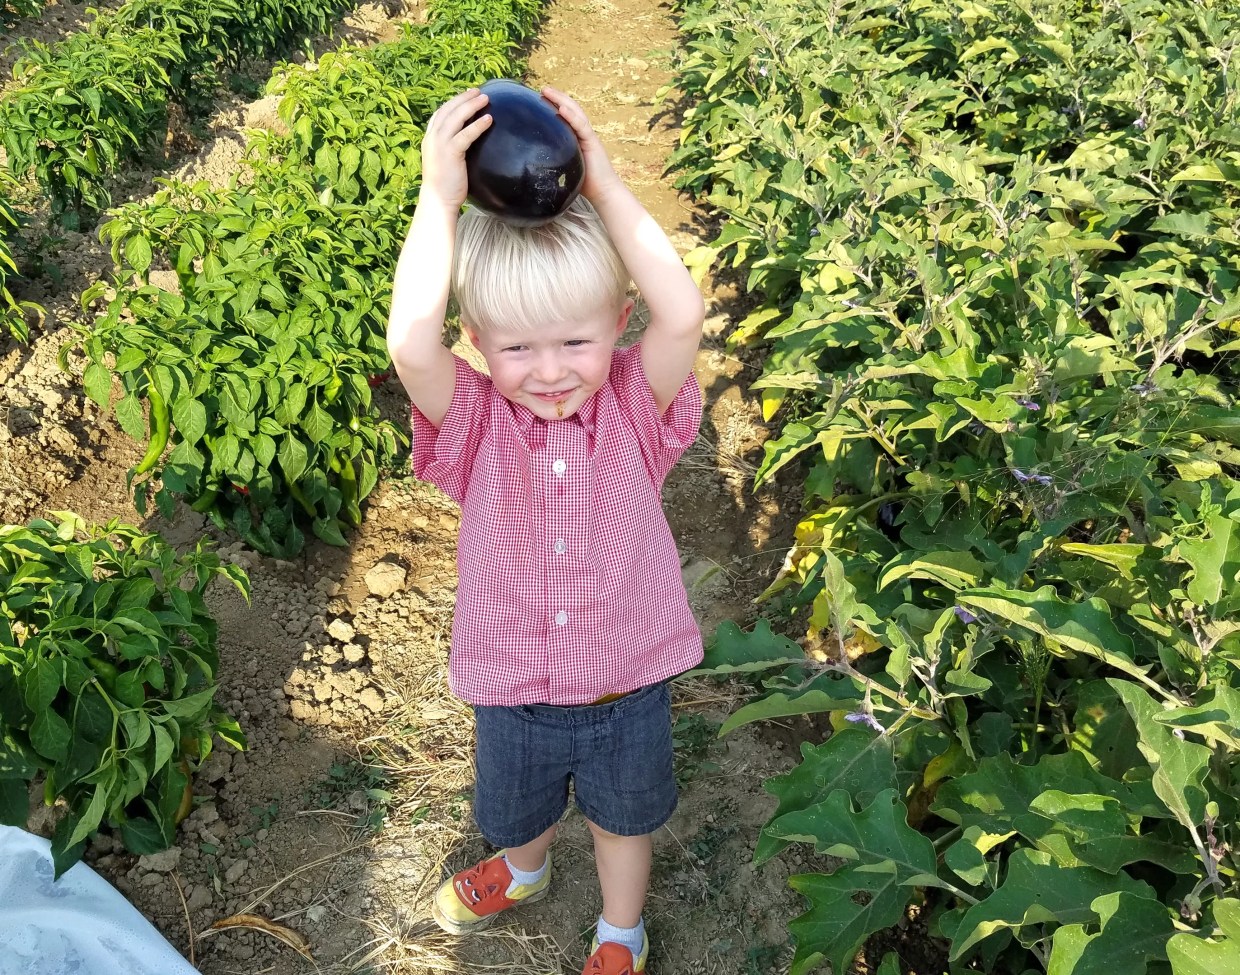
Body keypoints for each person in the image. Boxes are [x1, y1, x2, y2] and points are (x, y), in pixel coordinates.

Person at [385, 84, 706, 975]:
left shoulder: (636, 409)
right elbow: (411, 344)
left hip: (624, 686)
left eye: (576, 342)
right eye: (518, 348)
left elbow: (684, 312)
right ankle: (524, 869)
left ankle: (619, 930)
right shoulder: (477, 424)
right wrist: (437, 198)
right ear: (478, 342)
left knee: (623, 820)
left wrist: (603, 184)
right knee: (518, 807)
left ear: (617, 324)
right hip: (513, 686)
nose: (552, 371)